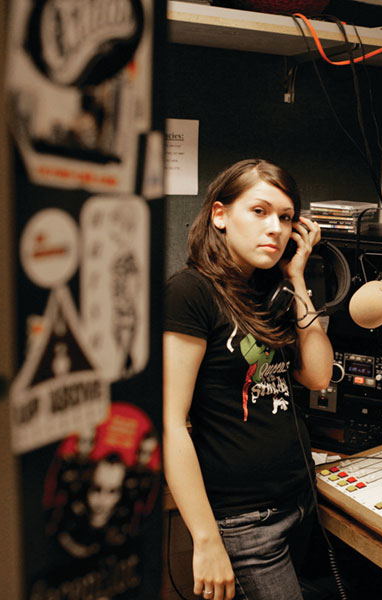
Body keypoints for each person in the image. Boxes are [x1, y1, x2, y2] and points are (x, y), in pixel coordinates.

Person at [163, 159, 333, 600]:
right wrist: (205, 539)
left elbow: (317, 377)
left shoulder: (271, 291)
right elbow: (171, 424)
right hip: (243, 523)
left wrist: (297, 278)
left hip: (298, 501)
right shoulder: (190, 293)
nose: (275, 228)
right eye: (259, 211)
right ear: (220, 215)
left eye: (286, 217)